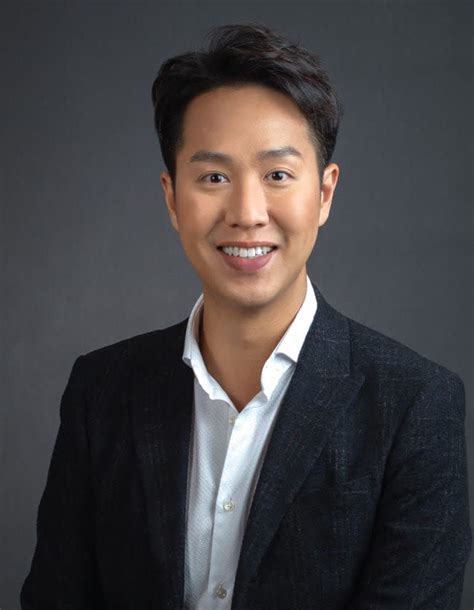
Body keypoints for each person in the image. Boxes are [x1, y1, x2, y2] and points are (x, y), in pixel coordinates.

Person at [20, 21, 471, 610]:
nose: (247, 212)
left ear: (325, 193)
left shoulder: (414, 404)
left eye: (277, 175)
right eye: (214, 177)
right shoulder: (101, 390)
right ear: (172, 198)